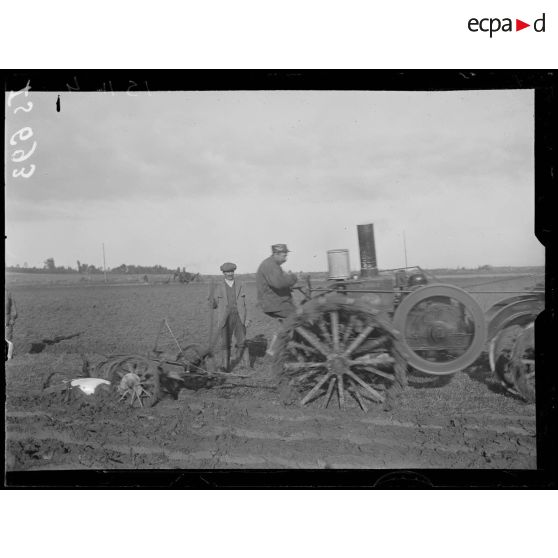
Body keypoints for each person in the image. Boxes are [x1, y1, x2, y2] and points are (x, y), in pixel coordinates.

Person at [256, 244, 298, 356]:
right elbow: (279, 283)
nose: (286, 258)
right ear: (276, 254)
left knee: (288, 324)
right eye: (284, 255)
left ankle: (276, 349)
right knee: (296, 318)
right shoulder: (270, 265)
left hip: (277, 301)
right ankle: (274, 350)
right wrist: (293, 277)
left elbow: (279, 281)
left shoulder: (272, 264)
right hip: (274, 302)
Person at [208, 262, 249, 371]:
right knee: (225, 343)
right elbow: (214, 305)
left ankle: (247, 365)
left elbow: (245, 303)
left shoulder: (240, 284)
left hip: (239, 317)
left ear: (234, 271)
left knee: (242, 342)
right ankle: (225, 367)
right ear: (223, 273)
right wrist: (211, 301)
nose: (230, 274)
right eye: (227, 272)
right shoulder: (219, 287)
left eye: (231, 271)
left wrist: (247, 319)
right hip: (224, 319)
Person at [5, 290, 17, 361]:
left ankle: (9, 357)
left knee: (8, 339)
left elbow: (15, 311)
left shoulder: (9, 294)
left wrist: (12, 319)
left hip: (7, 321)